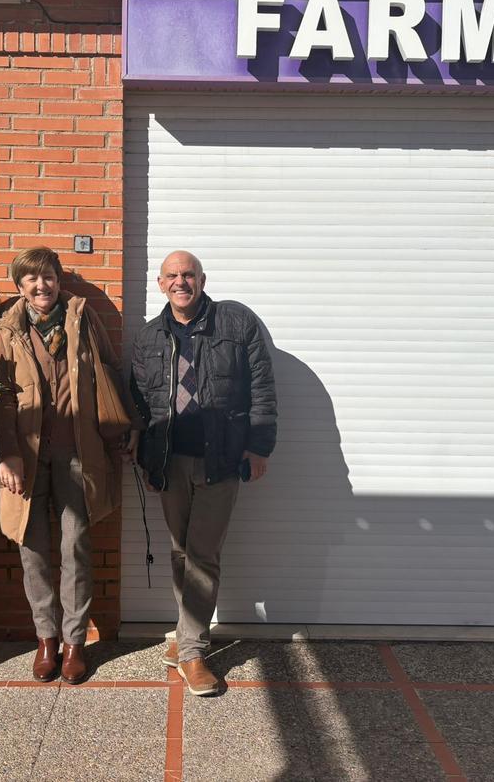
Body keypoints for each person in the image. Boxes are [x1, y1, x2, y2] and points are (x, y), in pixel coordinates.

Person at [129, 250, 277, 697]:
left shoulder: (236, 323)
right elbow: (139, 400)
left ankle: (192, 651)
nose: (181, 282)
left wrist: (258, 446)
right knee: (179, 552)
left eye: (188, 274)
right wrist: (143, 453)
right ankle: (185, 636)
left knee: (203, 554)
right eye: (172, 276)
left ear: (202, 279)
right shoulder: (150, 336)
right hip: (169, 461)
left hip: (220, 459)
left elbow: (261, 386)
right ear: (160, 283)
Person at [0, 247, 135, 684]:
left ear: (58, 280)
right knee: (32, 549)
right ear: (19, 287)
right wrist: (8, 453)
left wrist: (117, 432)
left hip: (78, 454)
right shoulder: (7, 328)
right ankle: (46, 641)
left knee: (75, 549)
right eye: (32, 280)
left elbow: (109, 371)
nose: (42, 286)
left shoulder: (82, 317)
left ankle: (75, 643)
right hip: (27, 456)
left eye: (48, 277)